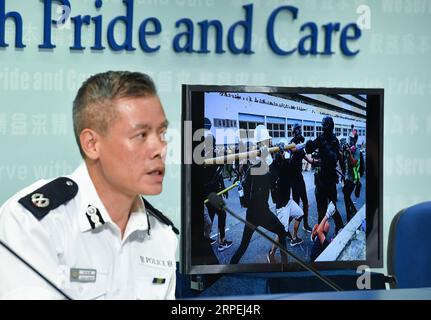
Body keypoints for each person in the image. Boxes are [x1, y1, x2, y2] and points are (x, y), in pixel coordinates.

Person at [0, 71, 179, 300]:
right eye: (141, 135)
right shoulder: (31, 223)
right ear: (92, 144)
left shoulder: (161, 235)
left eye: (162, 133)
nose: (160, 148)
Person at [230, 125, 288, 264]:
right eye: (268, 141)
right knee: (281, 231)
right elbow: (274, 176)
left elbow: (244, 202)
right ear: (263, 144)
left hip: (252, 213)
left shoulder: (254, 165)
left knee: (243, 246)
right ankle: (286, 265)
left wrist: (280, 154)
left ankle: (229, 268)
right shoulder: (260, 165)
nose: (270, 143)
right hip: (262, 212)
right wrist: (272, 159)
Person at [305, 116, 344, 234]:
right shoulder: (323, 139)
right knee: (323, 209)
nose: (324, 128)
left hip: (328, 179)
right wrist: (309, 143)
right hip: (323, 179)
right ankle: (322, 234)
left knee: (330, 208)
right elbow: (309, 149)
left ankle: (337, 227)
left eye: (324, 126)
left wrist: (323, 149)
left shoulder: (333, 140)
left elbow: (335, 157)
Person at [203, 135, 233, 252]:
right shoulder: (205, 156)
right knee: (222, 214)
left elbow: (219, 173)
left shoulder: (213, 155)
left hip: (212, 191)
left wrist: (223, 187)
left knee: (210, 214)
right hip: (211, 192)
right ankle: (222, 241)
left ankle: (206, 238)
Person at [289, 123, 314, 234]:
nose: (299, 132)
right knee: (295, 205)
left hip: (299, 177)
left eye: (300, 129)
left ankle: (305, 225)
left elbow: (306, 158)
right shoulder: (292, 143)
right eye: (297, 130)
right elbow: (294, 150)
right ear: (294, 131)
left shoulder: (300, 143)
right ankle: (285, 228)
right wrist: (304, 144)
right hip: (293, 179)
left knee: (305, 202)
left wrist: (316, 162)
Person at [267, 199, 304, 263]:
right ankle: (271, 253)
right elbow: (274, 197)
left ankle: (294, 238)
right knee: (281, 231)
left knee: (300, 214)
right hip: (282, 207)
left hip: (289, 201)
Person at [342, 130, 361, 221]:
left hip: (353, 178)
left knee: (346, 195)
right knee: (346, 194)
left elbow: (354, 163)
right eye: (349, 139)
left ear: (355, 140)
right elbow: (343, 160)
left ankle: (348, 217)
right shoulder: (348, 148)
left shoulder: (357, 150)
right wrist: (343, 151)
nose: (350, 141)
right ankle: (353, 210)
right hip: (347, 176)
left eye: (352, 139)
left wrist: (350, 153)